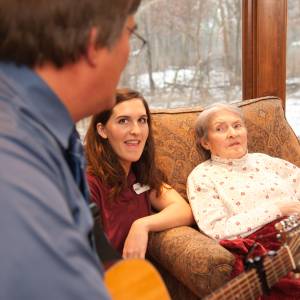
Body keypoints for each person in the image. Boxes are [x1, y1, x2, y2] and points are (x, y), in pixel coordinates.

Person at [0, 1, 142, 299]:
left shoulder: (52, 130)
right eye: (131, 34)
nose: (130, 53)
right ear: (93, 44)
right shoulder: (16, 169)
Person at [187, 102, 300, 299]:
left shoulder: (267, 162)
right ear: (206, 142)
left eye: (237, 126)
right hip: (269, 247)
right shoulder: (202, 176)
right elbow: (217, 229)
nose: (232, 133)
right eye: (220, 129)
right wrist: (277, 208)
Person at [85, 88, 194, 259]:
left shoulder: (140, 172)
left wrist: (142, 225)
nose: (136, 130)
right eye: (123, 121)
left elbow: (183, 210)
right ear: (102, 130)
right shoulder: (88, 184)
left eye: (142, 120)